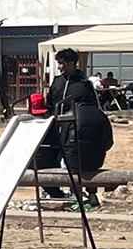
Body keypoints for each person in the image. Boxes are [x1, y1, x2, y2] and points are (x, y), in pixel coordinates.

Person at [41, 48, 114, 205]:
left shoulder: (84, 84)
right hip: (56, 131)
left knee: (81, 162)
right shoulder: (57, 82)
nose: (59, 67)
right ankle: (61, 192)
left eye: (61, 63)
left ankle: (90, 192)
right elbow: (50, 104)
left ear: (71, 63)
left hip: (77, 132)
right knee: (55, 161)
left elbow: (94, 108)